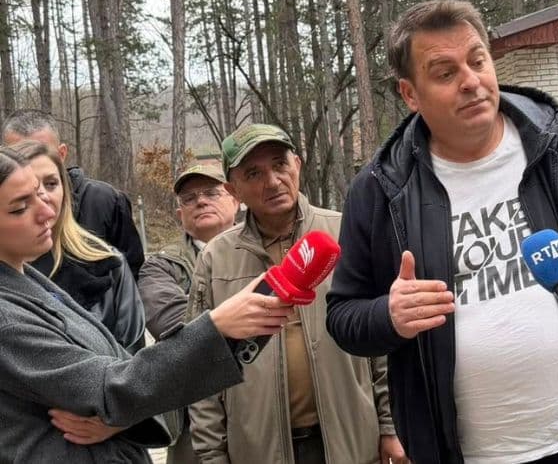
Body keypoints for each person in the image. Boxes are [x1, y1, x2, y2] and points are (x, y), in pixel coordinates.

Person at [326, 0, 558, 464]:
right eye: (445, 73)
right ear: (410, 94)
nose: (470, 81)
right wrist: (389, 316)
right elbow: (343, 316)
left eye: (478, 60)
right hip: (463, 454)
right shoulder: (380, 189)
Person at [0, 146, 295, 463]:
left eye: (43, 193)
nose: (48, 211)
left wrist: (122, 415)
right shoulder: (7, 318)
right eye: (20, 208)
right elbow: (110, 385)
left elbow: (121, 369)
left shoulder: (28, 281)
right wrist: (218, 327)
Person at [186, 123, 404, 464]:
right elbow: (202, 366)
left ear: (297, 165)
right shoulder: (216, 259)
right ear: (233, 190)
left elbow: (381, 338)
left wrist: (391, 426)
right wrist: (212, 455)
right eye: (254, 173)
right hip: (258, 451)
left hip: (351, 442)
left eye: (280, 164)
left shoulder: (344, 231)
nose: (273, 181)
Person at [138, 161, 240, 464]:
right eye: (190, 198)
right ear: (180, 214)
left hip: (269, 405)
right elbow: (173, 326)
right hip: (192, 419)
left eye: (211, 192)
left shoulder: (267, 250)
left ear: (235, 199)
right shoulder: (160, 266)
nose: (201, 201)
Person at [9, 140, 146, 354]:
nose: (43, 198)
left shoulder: (109, 263)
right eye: (27, 194)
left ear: (65, 188)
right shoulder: (10, 276)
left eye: (51, 184)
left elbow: (135, 354)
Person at [1, 109, 145, 276]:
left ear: (61, 154)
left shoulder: (106, 201)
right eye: (19, 157)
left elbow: (135, 272)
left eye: (51, 184)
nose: (46, 211)